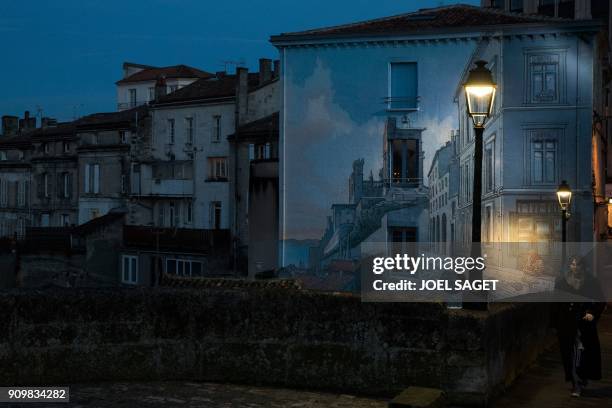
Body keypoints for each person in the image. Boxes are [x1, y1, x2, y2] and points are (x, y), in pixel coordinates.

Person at [553, 256, 606, 397]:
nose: (575, 267)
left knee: (584, 353)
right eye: (572, 264)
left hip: (584, 322)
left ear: (583, 266)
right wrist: (555, 324)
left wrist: (593, 313)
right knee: (570, 354)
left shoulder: (591, 282)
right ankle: (575, 384)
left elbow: (600, 300)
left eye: (578, 265)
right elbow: (555, 304)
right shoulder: (562, 282)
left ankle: (582, 379)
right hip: (567, 322)